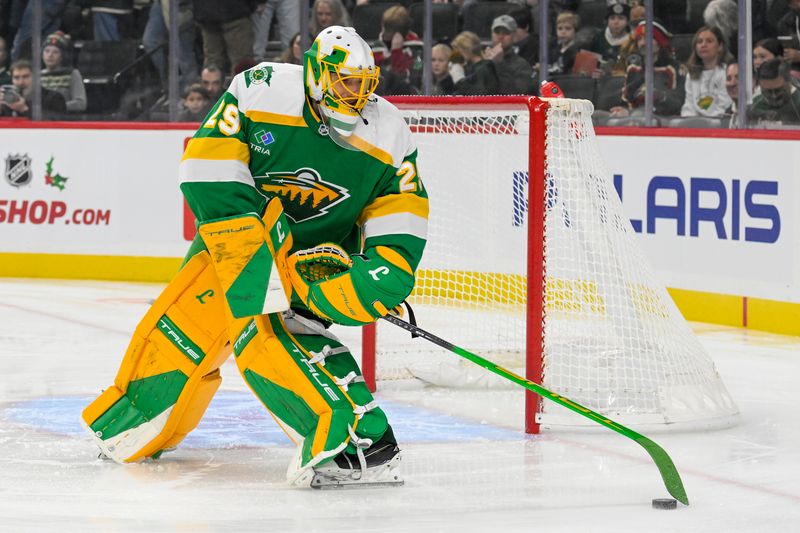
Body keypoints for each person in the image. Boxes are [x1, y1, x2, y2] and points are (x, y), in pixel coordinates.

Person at [81, 25, 427, 489]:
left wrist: (368, 282)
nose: (357, 94)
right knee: (181, 330)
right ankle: (128, 426)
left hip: (311, 268)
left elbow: (400, 222)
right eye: (346, 82)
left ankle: (358, 444)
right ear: (319, 75)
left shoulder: (390, 132)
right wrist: (258, 248)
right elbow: (205, 166)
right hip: (237, 242)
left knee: (265, 339)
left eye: (365, 84)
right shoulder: (262, 89)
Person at [611, 20, 686, 117]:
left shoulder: (676, 68)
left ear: (660, 42)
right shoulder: (633, 69)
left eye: (647, 38)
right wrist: (623, 110)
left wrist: (659, 96)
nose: (642, 43)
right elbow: (626, 99)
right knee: (596, 115)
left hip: (663, 120)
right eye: (639, 39)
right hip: (633, 117)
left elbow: (678, 102)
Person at [142, 0, 197, 90]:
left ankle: (192, 92)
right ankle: (168, 85)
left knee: (183, 54)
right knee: (151, 41)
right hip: (161, 4)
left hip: (183, 7)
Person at [681, 26, 733, 118]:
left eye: (709, 41)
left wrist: (706, 123)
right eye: (699, 42)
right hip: (695, 125)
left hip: (720, 124)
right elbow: (689, 106)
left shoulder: (727, 72)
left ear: (720, 46)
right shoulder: (691, 74)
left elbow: (725, 106)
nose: (703, 45)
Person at [194, 0, 256, 74]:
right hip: (236, 11)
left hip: (206, 12)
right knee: (241, 62)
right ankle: (240, 85)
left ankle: (212, 84)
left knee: (213, 61)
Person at [484, 15, 533, 95]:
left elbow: (517, 94)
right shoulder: (482, 59)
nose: (500, 36)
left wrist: (499, 64)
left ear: (514, 36)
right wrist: (484, 64)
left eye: (506, 33)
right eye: (497, 32)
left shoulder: (522, 66)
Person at [0, 59, 66, 117]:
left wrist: (24, 109)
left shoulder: (54, 98)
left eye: (25, 77)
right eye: (16, 78)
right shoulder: (8, 100)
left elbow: (57, 122)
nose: (21, 82)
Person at [40, 31, 86, 112]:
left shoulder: (72, 74)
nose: (50, 55)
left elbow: (81, 103)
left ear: (62, 56)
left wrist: (57, 106)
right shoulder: (37, 75)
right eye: (47, 51)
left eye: (55, 52)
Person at [748, 58, 800, 125]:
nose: (774, 96)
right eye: (768, 91)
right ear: (760, 86)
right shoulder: (754, 107)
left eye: (778, 90)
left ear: (789, 82)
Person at [450, 30, 499, 95]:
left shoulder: (484, 68)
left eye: (458, 50)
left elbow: (478, 95)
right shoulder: (470, 68)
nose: (457, 54)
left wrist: (459, 81)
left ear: (466, 49)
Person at [547, 11, 579, 76]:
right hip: (552, 83)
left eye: (568, 29)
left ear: (575, 31)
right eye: (560, 29)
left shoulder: (578, 52)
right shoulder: (553, 48)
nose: (563, 32)